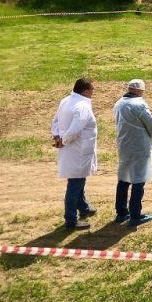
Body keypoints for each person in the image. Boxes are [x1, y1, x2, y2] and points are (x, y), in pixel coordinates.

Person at [51, 78, 99, 230]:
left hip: (71, 149)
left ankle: (83, 207)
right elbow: (76, 129)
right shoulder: (82, 106)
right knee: (75, 183)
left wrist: (57, 136)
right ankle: (71, 220)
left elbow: (56, 121)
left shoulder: (66, 100)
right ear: (85, 91)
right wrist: (64, 140)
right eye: (92, 89)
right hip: (77, 150)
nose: (93, 92)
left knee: (78, 180)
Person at [112, 79, 152, 226]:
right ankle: (135, 215)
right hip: (139, 146)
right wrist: (151, 137)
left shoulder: (119, 103)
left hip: (124, 145)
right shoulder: (139, 104)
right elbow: (151, 124)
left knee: (124, 179)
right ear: (139, 91)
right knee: (138, 179)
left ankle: (121, 212)